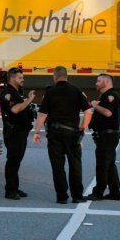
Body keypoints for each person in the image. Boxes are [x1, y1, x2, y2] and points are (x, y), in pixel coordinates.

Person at [33, 65, 92, 204]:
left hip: (55, 133)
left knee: (57, 166)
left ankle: (62, 196)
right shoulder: (76, 90)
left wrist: (37, 132)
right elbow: (88, 111)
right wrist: (83, 128)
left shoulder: (50, 92)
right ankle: (77, 196)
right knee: (75, 164)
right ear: (67, 76)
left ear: (54, 77)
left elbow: (42, 114)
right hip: (72, 133)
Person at [0, 67, 36, 200]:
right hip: (14, 132)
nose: (23, 80)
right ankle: (10, 190)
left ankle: (14, 187)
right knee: (13, 161)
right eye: (20, 78)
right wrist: (29, 100)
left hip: (20, 131)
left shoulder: (17, 92)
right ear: (12, 78)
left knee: (17, 161)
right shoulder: (7, 93)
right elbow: (14, 109)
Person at [85, 73, 120, 201]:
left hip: (107, 135)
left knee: (102, 164)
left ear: (106, 82)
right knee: (109, 163)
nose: (96, 83)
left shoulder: (110, 95)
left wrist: (95, 105)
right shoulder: (107, 95)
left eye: (98, 81)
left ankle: (98, 192)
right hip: (108, 135)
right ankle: (115, 192)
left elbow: (107, 112)